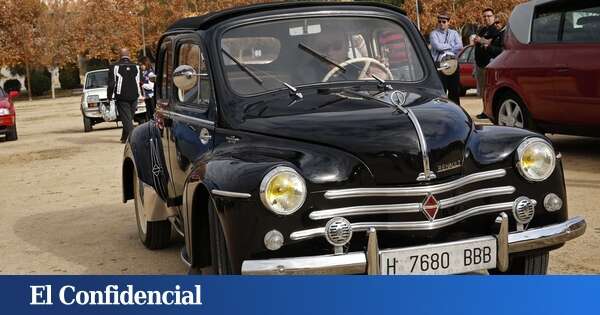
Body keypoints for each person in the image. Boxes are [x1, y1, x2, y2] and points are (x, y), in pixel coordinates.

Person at [473, 8, 504, 119]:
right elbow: (478, 43)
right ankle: (485, 111)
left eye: (489, 16)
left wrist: (484, 42)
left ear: (494, 17)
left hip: (490, 65)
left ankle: (490, 112)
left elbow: (499, 49)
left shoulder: (496, 31)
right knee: (483, 91)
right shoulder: (482, 30)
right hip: (480, 64)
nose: (486, 18)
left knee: (490, 90)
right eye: (484, 16)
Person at [107, 48, 142, 143]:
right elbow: (140, 82)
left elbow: (111, 84)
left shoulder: (114, 67)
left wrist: (109, 96)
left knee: (127, 119)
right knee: (128, 118)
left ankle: (133, 139)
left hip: (121, 96)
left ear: (119, 55)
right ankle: (124, 137)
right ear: (129, 55)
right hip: (134, 95)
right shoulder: (137, 66)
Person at [429, 12, 463, 105]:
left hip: (453, 63)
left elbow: (460, 46)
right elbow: (437, 46)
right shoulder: (433, 34)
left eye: (444, 21)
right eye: (439, 21)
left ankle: (456, 110)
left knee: (454, 91)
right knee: (441, 91)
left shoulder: (454, 33)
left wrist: (445, 47)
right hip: (439, 64)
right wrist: (452, 46)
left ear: (449, 22)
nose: (441, 23)